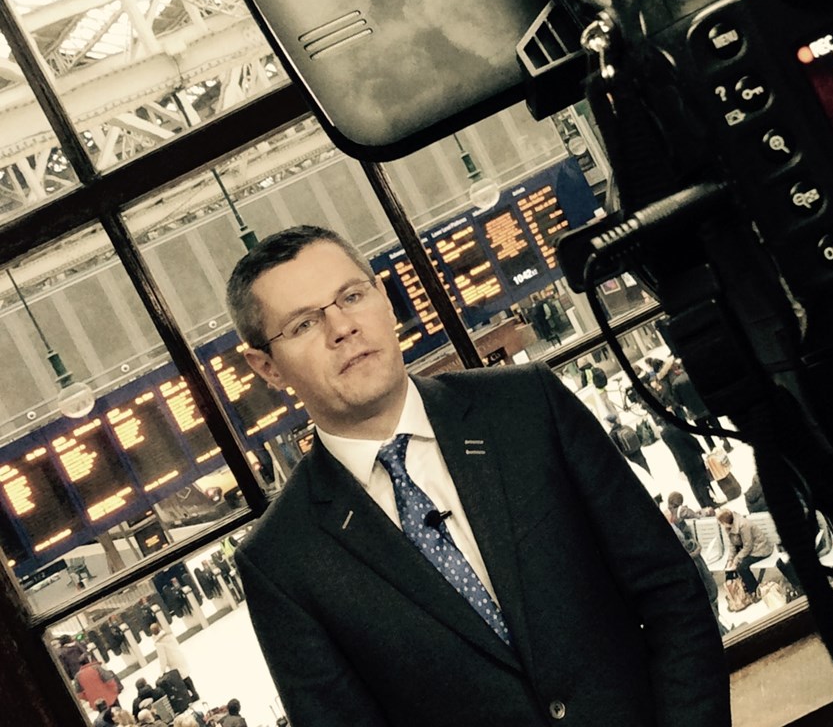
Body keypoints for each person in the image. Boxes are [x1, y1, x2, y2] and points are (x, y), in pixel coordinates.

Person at [224, 225, 730, 727]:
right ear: (267, 367)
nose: (342, 328)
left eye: (352, 296)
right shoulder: (281, 561)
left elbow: (671, 592)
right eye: (304, 325)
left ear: (384, 297)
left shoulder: (527, 406)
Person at [717, 508, 774, 602]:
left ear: (725, 522)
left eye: (720, 522)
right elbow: (732, 545)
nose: (720, 524)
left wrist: (736, 560)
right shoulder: (729, 527)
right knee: (730, 569)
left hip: (759, 549)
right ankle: (741, 591)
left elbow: (748, 545)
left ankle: (755, 591)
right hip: (748, 550)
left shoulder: (743, 525)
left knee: (741, 567)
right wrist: (730, 560)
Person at [149, 621, 199, 702]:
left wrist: (162, 670)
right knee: (186, 675)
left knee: (182, 678)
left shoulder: (159, 643)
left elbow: (163, 658)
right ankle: (194, 692)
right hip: (178, 656)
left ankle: (192, 695)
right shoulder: (168, 635)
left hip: (172, 661)